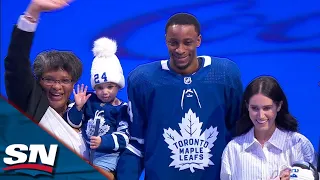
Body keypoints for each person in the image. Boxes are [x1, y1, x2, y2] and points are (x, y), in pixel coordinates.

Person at [116, 13, 243, 180]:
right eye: (173, 43)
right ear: (166, 41)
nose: (180, 50)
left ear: (198, 40)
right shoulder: (144, 80)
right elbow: (136, 143)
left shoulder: (225, 75)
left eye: (187, 42)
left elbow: (240, 135)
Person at [4, 0, 86, 157]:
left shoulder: (87, 114)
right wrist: (33, 12)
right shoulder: (30, 106)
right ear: (38, 81)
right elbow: (16, 62)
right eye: (49, 79)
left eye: (64, 80)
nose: (56, 86)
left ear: (73, 83)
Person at [220, 76, 317, 180]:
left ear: (279, 106)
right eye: (255, 108)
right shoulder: (233, 150)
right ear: (247, 106)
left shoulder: (299, 144)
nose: (261, 115)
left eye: (267, 108)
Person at [66, 37, 130, 179]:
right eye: (99, 87)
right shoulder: (88, 99)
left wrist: (104, 141)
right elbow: (72, 123)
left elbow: (124, 138)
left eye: (110, 86)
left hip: (107, 156)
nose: (105, 91)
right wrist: (78, 107)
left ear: (119, 86)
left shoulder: (122, 108)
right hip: (85, 151)